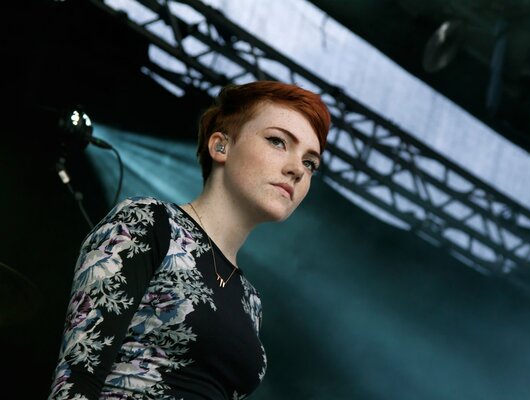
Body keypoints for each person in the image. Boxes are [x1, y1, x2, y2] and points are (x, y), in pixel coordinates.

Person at [48, 80, 331, 400]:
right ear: (221, 146)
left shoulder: (250, 301)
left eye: (310, 163)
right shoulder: (147, 222)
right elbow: (78, 375)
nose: (297, 169)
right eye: (278, 141)